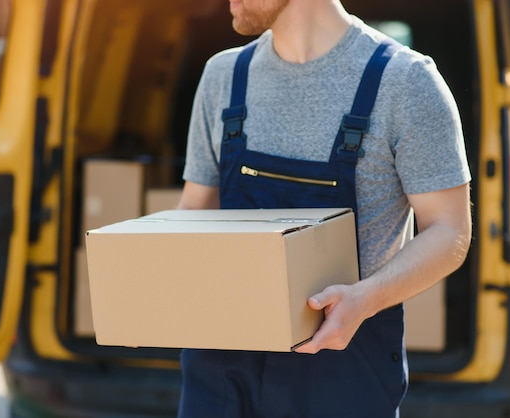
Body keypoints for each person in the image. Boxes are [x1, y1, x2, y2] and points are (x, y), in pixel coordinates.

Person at [176, 0, 472, 416]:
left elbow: (449, 231)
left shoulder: (404, 82)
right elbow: (195, 210)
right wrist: (157, 296)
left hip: (342, 368)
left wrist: (365, 300)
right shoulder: (223, 76)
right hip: (222, 366)